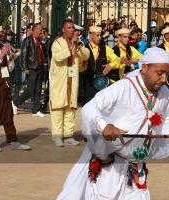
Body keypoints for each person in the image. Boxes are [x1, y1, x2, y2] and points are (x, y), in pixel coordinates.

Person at [57, 47, 169, 199]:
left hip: (136, 169)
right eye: (159, 73)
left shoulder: (164, 93)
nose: (163, 79)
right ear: (145, 68)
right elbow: (90, 108)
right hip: (110, 167)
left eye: (166, 74)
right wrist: (104, 126)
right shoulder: (123, 87)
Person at [49, 19, 90, 147]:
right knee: (58, 107)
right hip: (59, 81)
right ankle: (57, 136)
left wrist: (79, 46)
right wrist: (71, 48)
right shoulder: (57, 43)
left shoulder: (78, 43)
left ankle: (68, 135)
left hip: (73, 79)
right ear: (63, 29)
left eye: (73, 27)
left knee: (70, 108)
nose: (72, 30)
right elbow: (58, 57)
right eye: (69, 27)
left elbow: (86, 56)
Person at [0, 25, 31, 152]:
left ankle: (13, 141)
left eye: (2, 36)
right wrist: (1, 55)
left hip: (5, 86)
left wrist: (11, 59)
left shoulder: (3, 47)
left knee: (8, 116)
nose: (1, 38)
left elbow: (9, 68)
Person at [12, 23, 47, 117]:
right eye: (40, 30)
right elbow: (23, 55)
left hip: (39, 68)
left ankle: (36, 110)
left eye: (42, 30)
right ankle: (15, 103)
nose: (41, 31)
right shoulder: (27, 40)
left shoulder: (40, 41)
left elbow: (42, 54)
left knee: (38, 90)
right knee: (30, 90)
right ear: (34, 30)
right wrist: (24, 68)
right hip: (31, 68)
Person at [83, 26, 120, 104]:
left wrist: (111, 65)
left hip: (102, 83)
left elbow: (117, 60)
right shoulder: (84, 48)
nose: (100, 37)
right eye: (97, 35)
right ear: (90, 35)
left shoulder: (105, 48)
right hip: (88, 84)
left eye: (100, 35)